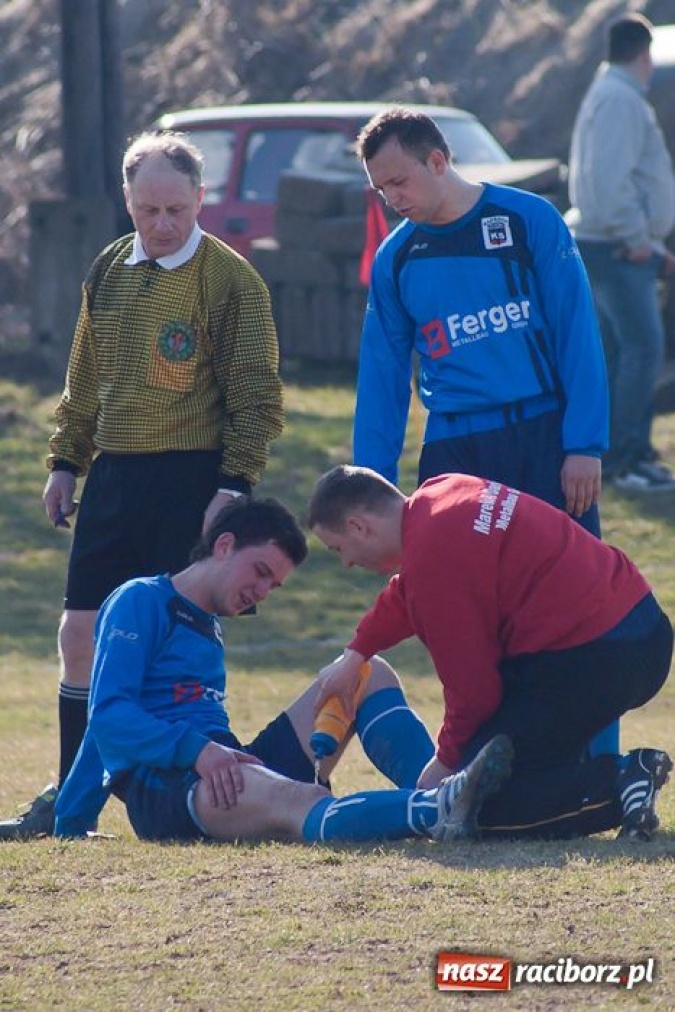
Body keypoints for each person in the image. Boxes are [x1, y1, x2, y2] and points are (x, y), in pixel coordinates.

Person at [0, 131, 284, 840]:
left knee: (171, 644)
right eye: (148, 209)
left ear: (200, 203)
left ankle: (191, 784)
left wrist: (233, 483)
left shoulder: (230, 281)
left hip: (191, 477)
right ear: (127, 201)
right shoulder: (109, 267)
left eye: (177, 211)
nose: (161, 224)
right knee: (79, 635)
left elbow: (257, 395)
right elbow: (85, 378)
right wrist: (66, 461)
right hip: (116, 474)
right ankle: (71, 806)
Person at [52, 497, 512, 846]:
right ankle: (436, 809)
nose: (264, 591)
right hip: (168, 787)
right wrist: (71, 821)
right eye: (260, 572)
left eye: (273, 584)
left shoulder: (206, 622)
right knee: (305, 802)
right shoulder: (141, 600)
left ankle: (437, 790)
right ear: (224, 545)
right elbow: (108, 717)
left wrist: (213, 754)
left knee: (367, 674)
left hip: (226, 763)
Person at [307, 465, 673, 841]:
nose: (346, 562)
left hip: (597, 657)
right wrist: (356, 654)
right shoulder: (440, 493)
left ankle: (622, 781)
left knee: (479, 806)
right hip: (639, 627)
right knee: (495, 771)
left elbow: (475, 691)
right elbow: (408, 592)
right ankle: (608, 779)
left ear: (358, 526)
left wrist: (446, 764)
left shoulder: (434, 558)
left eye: (338, 549)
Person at [352, 105, 608, 537]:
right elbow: (382, 376)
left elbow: (577, 333)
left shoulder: (529, 220)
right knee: (465, 598)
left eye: (399, 181)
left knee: (565, 593)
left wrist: (584, 444)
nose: (392, 198)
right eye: (381, 189)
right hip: (454, 449)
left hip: (540, 434)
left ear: (438, 161)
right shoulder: (394, 259)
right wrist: (371, 489)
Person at [567, 13, 675, 492]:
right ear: (644, 53)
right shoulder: (620, 99)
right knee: (643, 348)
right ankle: (628, 458)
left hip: (609, 243)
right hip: (617, 246)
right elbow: (610, 184)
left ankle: (610, 456)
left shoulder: (604, 94)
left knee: (614, 352)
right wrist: (638, 240)